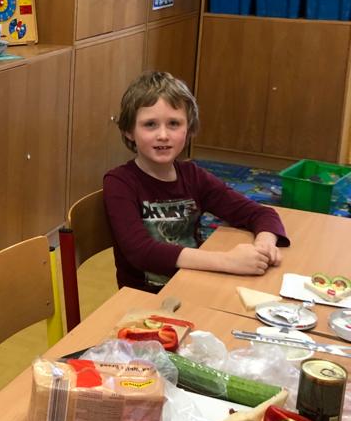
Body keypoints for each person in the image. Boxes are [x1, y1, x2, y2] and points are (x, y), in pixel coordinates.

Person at [103, 71, 288, 292]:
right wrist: (228, 261)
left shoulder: (193, 176)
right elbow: (141, 252)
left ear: (188, 129)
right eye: (150, 124)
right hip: (145, 298)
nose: (163, 135)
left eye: (174, 123)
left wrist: (264, 245)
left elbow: (261, 214)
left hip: (193, 284)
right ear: (129, 131)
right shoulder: (120, 182)